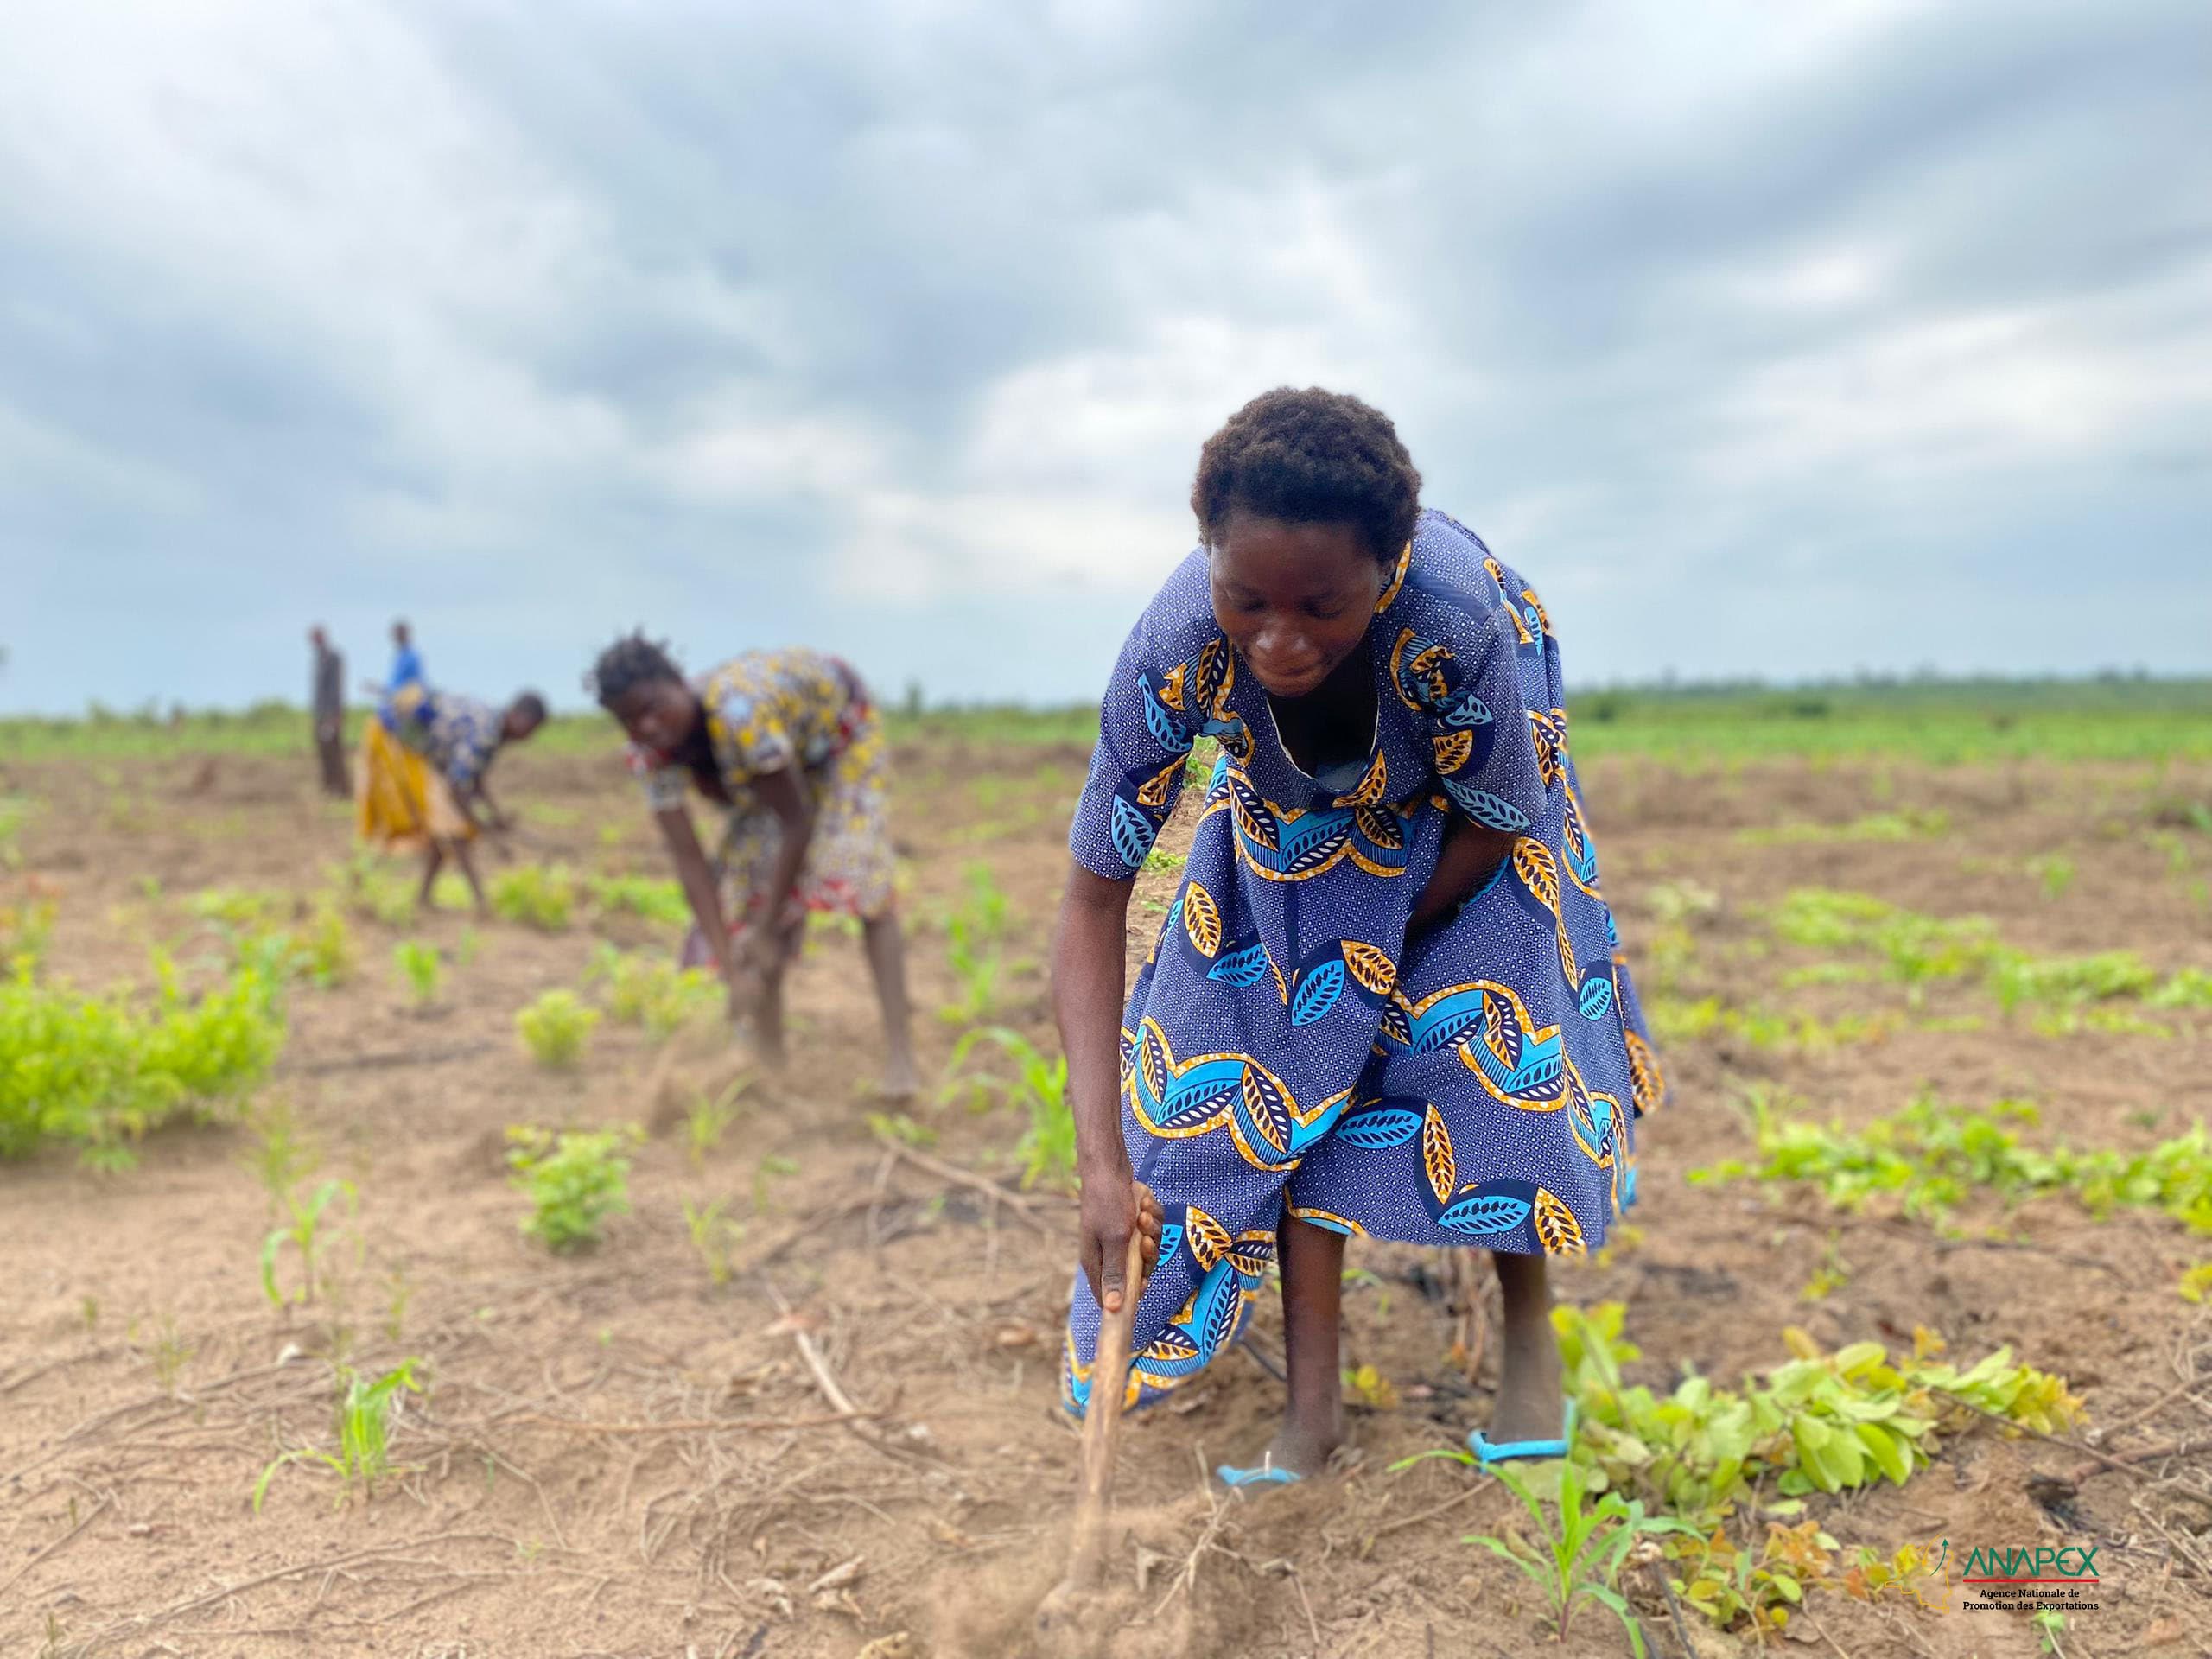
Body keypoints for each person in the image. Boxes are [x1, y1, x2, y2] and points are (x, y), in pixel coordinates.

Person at [1056, 387, 1664, 1485]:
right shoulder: (1179, 640)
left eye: (1321, 609)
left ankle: (1529, 1348)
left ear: (1384, 574)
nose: (1281, 640)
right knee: (1278, 1080)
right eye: (1249, 602)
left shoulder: (1453, 621)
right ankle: (1311, 1421)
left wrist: (1378, 936)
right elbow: (1091, 895)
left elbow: (1503, 818)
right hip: (1286, 826)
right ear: (1210, 563)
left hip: (1476, 820)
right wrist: (1101, 1166)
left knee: (1489, 1049)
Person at [588, 634, 918, 1098]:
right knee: (748, 895)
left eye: (654, 707)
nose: (647, 726)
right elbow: (690, 862)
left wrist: (767, 931)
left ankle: (901, 1060)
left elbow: (797, 821)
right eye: (629, 720)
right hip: (766, 771)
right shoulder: (648, 755)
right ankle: (770, 1065)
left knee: (862, 879)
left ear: (680, 685)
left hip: (840, 739)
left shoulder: (738, 714)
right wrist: (730, 967)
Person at [355, 630, 546, 915]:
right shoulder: (486, 733)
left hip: (420, 749)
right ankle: (482, 903)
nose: (528, 738)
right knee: (454, 830)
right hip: (397, 740)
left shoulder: (492, 729)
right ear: (519, 718)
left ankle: (422, 897)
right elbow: (459, 785)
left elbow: (475, 778)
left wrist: (495, 816)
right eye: (530, 730)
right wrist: (481, 826)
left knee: (443, 828)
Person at [308, 626, 347, 798]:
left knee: (334, 752)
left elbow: (336, 688)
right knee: (324, 752)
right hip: (320, 713)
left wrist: (336, 715)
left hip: (331, 714)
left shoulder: (333, 657)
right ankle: (328, 786)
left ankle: (340, 787)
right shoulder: (318, 659)